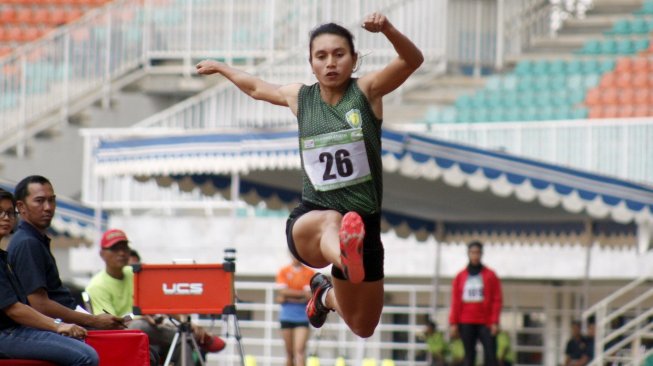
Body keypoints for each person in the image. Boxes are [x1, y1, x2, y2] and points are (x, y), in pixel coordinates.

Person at [197, 11, 423, 338]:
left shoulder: (368, 91)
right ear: (311, 63)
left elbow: (412, 60)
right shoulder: (301, 97)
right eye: (321, 56)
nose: (330, 63)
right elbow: (257, 87)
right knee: (333, 218)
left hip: (364, 222)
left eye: (339, 54)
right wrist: (221, 67)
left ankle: (324, 295)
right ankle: (346, 257)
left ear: (354, 59)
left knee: (363, 325)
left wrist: (387, 28)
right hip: (312, 220)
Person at [85, 228, 225, 364]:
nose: (121, 253)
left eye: (125, 247)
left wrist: (187, 323)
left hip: (148, 328)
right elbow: (110, 325)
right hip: (122, 335)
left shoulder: (134, 273)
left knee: (180, 339)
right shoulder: (97, 285)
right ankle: (196, 336)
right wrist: (140, 316)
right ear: (102, 254)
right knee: (141, 325)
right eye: (115, 248)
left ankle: (187, 331)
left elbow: (162, 301)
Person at [7, 175, 124, 330]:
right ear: (21, 207)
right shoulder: (27, 243)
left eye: (51, 200)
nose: (48, 207)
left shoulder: (34, 239)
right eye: (39, 201)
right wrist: (93, 320)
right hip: (52, 329)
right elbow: (39, 305)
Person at [0, 189, 99, 365]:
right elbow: (15, 309)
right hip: (6, 333)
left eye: (9, 212)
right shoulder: (27, 243)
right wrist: (58, 325)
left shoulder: (4, 255)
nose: (6, 217)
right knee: (86, 356)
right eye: (0, 212)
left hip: (14, 329)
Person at [449, 241, 503, 366]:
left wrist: (495, 321)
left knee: (490, 355)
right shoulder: (460, 276)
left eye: (478, 253)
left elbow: (497, 299)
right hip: (466, 321)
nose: (475, 256)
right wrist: (453, 323)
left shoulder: (490, 275)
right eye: (472, 253)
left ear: (481, 254)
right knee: (469, 356)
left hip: (486, 321)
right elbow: (456, 301)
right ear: (468, 254)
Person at [275, 256, 315, 366]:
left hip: (303, 316)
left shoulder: (309, 272)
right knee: (289, 353)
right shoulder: (284, 271)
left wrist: (288, 296)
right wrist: (301, 295)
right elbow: (282, 291)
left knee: (300, 351)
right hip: (286, 316)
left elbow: (309, 295)